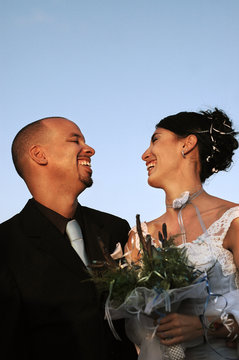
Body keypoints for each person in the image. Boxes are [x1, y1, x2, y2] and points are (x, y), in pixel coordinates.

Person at [0, 117, 137, 360]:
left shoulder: (116, 228)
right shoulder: (5, 243)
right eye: (75, 140)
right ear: (39, 155)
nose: (90, 149)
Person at [126, 108, 239, 359]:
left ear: (187, 144)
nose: (145, 154)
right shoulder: (139, 237)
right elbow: (134, 326)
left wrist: (206, 325)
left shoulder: (233, 220)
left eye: (156, 139)